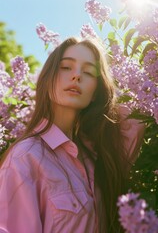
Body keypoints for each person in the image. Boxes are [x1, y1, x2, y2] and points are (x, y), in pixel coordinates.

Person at [0, 37, 145, 233]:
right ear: (48, 78)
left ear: (95, 91)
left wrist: (104, 103)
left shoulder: (94, 154)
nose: (77, 76)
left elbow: (137, 122)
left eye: (88, 72)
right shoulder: (26, 158)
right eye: (66, 67)